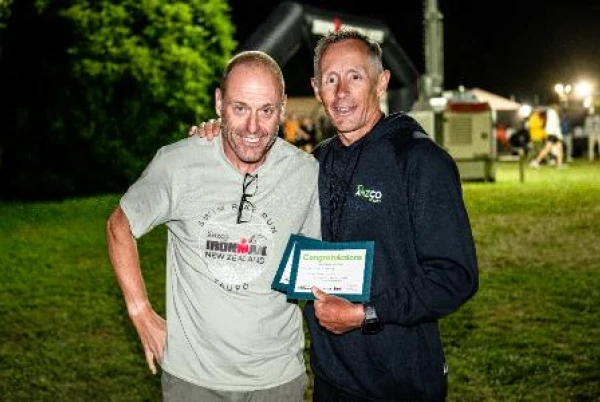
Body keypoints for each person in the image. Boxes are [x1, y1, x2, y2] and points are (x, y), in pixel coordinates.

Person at [190, 29, 479, 401]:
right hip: (331, 380)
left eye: (354, 76)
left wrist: (365, 314)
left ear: (381, 82)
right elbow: (259, 206)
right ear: (316, 88)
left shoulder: (420, 160)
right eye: (330, 79)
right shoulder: (316, 163)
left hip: (399, 385)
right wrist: (221, 137)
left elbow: (456, 276)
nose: (341, 92)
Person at [106, 50, 322, 402]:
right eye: (240, 108)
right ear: (219, 102)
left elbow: (315, 263)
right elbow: (120, 225)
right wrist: (140, 311)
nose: (253, 127)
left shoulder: (305, 174)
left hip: (277, 379)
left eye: (266, 111)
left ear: (282, 108)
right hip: (194, 381)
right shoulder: (179, 164)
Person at [530, 104, 566, 168]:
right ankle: (536, 162)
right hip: (553, 134)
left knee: (559, 148)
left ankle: (559, 163)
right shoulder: (552, 113)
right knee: (547, 149)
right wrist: (559, 135)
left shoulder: (551, 113)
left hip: (552, 133)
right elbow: (555, 125)